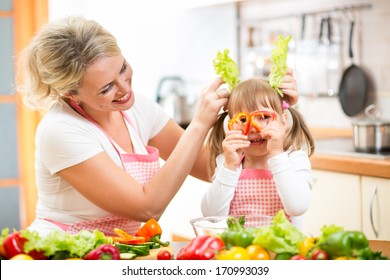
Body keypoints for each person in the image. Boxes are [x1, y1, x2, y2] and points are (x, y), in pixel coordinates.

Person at [17, 16, 299, 236]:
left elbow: (210, 167)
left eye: (123, 68)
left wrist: (277, 111)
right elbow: (146, 207)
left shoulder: (138, 108)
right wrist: (199, 123)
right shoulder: (61, 131)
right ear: (71, 94)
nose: (124, 88)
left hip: (124, 250)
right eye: (106, 88)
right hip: (69, 255)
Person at [201, 77, 314, 228]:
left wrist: (277, 154)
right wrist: (229, 167)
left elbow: (297, 206)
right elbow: (211, 216)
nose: (254, 128)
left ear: (283, 120)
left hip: (283, 250)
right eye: (242, 120)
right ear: (231, 126)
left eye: (264, 117)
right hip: (238, 250)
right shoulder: (227, 162)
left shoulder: (295, 159)